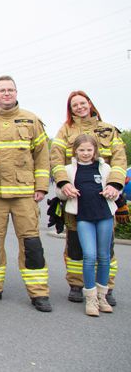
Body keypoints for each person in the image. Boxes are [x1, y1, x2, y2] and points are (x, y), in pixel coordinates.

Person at [0, 75, 52, 312]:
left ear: (16, 92)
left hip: (25, 193)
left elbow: (42, 157)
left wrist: (42, 186)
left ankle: (38, 293)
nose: (6, 93)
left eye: (10, 90)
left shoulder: (31, 119)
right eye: (2, 90)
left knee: (31, 243)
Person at [50, 90, 127, 305]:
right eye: (74, 105)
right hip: (75, 197)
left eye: (82, 103)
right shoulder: (65, 131)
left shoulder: (108, 130)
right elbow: (55, 160)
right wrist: (64, 183)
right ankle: (77, 284)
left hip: (105, 197)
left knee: (106, 247)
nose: (79, 107)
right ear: (70, 108)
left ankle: (106, 288)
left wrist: (114, 185)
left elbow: (120, 160)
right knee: (75, 244)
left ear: (90, 104)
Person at [55, 135, 118, 316]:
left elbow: (116, 186)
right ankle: (90, 297)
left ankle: (102, 296)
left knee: (104, 256)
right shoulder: (68, 169)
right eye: (81, 150)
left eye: (89, 150)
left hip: (104, 216)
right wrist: (67, 192)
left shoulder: (104, 168)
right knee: (89, 256)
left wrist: (112, 191)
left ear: (95, 151)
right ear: (75, 151)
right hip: (83, 218)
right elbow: (60, 191)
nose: (85, 153)